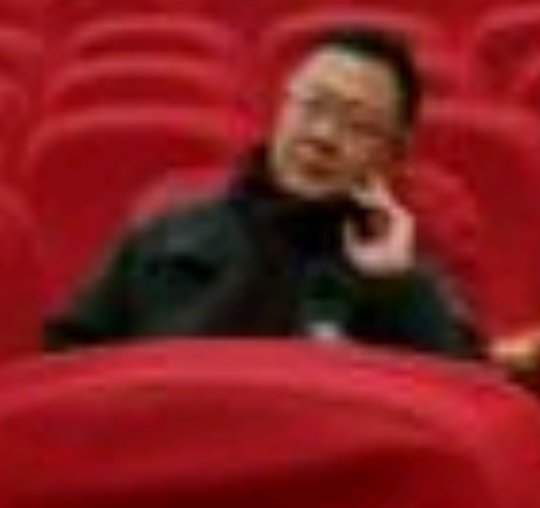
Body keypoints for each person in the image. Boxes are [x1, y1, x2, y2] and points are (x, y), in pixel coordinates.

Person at [44, 28, 540, 380]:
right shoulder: (169, 233)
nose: (322, 137)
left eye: (357, 124)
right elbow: (67, 370)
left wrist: (396, 287)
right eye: (312, 106)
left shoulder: (408, 268)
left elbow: (468, 405)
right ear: (280, 108)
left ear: (395, 155)